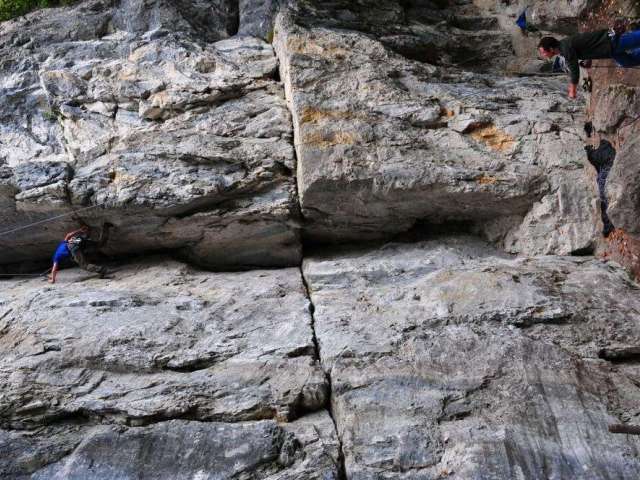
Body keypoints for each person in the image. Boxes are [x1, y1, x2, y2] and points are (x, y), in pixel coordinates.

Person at [538, 28, 640, 99]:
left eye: (543, 52)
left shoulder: (565, 48)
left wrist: (572, 89)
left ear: (551, 49)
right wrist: (587, 59)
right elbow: (586, 44)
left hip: (611, 41)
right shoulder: (564, 47)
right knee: (627, 62)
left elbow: (574, 69)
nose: (543, 55)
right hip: (608, 48)